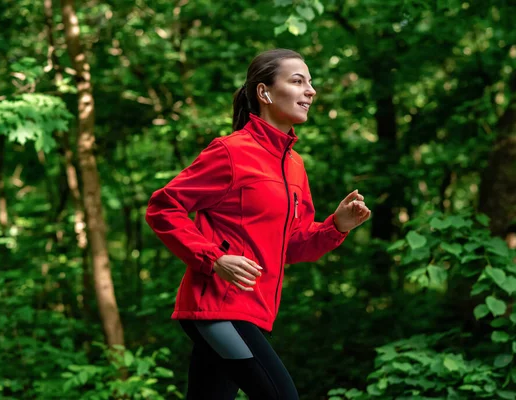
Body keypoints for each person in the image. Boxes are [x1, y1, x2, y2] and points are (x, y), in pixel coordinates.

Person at [145, 48, 371, 400]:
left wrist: (336, 227)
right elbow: (164, 207)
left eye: (310, 82)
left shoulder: (294, 165)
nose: (310, 90)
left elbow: (292, 246)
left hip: (254, 311)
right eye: (298, 81)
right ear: (264, 93)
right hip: (220, 305)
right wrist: (214, 258)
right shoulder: (231, 152)